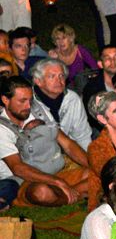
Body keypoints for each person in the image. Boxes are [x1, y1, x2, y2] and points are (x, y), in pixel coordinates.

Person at [0, 74, 92, 209]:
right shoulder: (2, 129)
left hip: (58, 170)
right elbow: (18, 168)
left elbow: (66, 143)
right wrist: (57, 182)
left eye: (30, 100)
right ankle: (76, 193)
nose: (27, 106)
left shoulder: (37, 110)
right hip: (27, 180)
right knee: (41, 193)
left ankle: (71, 194)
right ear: (5, 100)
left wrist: (93, 165)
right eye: (22, 101)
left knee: (95, 173)